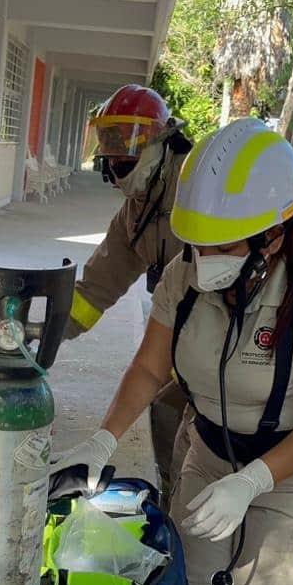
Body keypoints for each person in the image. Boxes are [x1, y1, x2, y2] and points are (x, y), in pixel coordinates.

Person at [53, 118, 293, 585]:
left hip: (288, 469)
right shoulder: (186, 277)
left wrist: (255, 480)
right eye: (195, 243)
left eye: (221, 245)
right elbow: (148, 366)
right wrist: (104, 437)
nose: (203, 256)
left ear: (274, 236)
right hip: (209, 450)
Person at [65, 84, 193, 504]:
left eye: (128, 141)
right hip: (178, 320)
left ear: (162, 142)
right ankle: (175, 501)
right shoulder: (137, 209)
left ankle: (192, 501)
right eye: (110, 141)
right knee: (164, 404)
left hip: (221, 324)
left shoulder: (193, 190)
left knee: (189, 411)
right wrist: (40, 335)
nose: (116, 155)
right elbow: (98, 285)